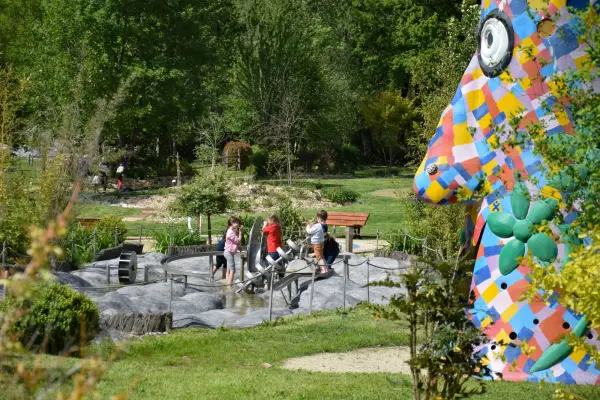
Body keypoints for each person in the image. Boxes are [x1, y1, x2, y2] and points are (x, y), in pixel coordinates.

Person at [224, 216, 243, 288]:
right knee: (233, 270)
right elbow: (238, 241)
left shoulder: (232, 230)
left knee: (229, 270)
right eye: (235, 222)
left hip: (228, 252)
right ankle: (229, 287)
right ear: (230, 224)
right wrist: (240, 232)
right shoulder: (230, 233)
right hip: (229, 253)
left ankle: (227, 284)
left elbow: (237, 243)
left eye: (237, 222)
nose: (237, 224)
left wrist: (238, 231)